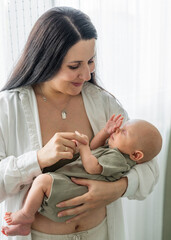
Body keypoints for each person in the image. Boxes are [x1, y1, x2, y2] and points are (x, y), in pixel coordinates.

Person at [0, 6, 159, 240]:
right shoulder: (8, 108)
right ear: (46, 61)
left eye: (91, 61)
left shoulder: (103, 103)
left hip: (101, 233)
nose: (86, 75)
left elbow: (148, 163)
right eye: (74, 66)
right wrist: (38, 159)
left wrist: (116, 189)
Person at [2, 114, 162, 236]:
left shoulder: (119, 159)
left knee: (42, 181)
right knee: (42, 182)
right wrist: (105, 133)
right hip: (68, 191)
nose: (118, 129)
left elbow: (93, 167)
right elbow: (94, 147)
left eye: (124, 132)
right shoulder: (115, 150)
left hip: (73, 189)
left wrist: (83, 147)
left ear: (136, 155)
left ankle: (26, 215)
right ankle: (25, 224)